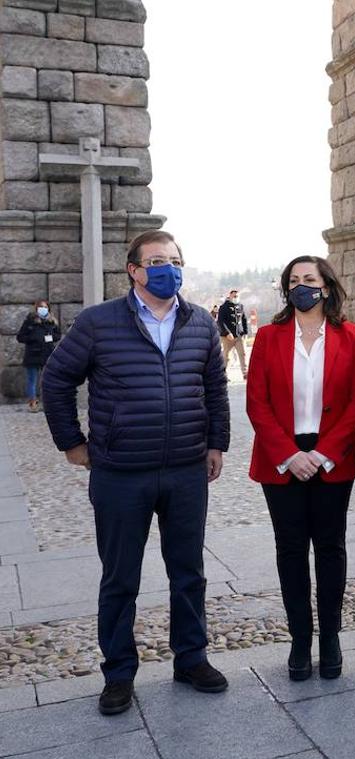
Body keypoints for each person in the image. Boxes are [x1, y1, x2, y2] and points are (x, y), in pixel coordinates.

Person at [41, 230, 230, 716]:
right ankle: (119, 673)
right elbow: (58, 378)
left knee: (189, 573)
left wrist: (217, 444)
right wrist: (71, 442)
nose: (168, 268)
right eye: (157, 260)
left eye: (174, 259)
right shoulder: (98, 323)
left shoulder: (200, 323)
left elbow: (215, 388)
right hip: (121, 473)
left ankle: (191, 658)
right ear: (134, 270)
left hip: (187, 470)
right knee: (120, 577)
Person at [246, 257, 355, 681]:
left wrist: (321, 454)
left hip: (331, 455)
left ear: (327, 286)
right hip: (281, 457)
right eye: (294, 281)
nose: (302, 286)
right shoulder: (267, 337)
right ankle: (300, 639)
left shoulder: (351, 336)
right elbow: (257, 403)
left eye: (310, 279)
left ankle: (330, 637)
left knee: (331, 548)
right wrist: (289, 454)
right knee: (291, 549)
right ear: (287, 289)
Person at [16, 300, 60, 412]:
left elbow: (57, 335)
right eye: (41, 307)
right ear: (36, 309)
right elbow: (20, 337)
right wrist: (34, 338)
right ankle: (33, 402)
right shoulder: (30, 321)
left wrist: (49, 339)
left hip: (47, 354)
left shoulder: (52, 322)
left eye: (45, 307)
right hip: (32, 354)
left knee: (47, 380)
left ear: (48, 309)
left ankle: (47, 403)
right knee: (32, 380)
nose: (43, 309)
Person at [218, 287, 250, 379]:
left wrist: (245, 332)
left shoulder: (240, 306)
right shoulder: (223, 307)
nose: (236, 296)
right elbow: (221, 321)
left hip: (239, 335)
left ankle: (245, 373)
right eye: (234, 295)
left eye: (237, 295)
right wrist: (227, 333)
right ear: (230, 295)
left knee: (243, 354)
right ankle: (224, 374)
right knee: (226, 356)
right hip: (227, 337)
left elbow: (244, 319)